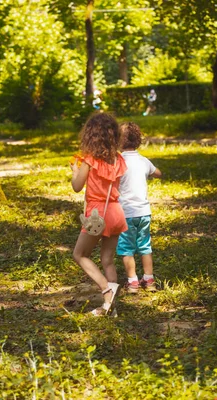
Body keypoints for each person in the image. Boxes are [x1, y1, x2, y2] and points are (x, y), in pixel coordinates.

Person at [71, 112, 128, 316]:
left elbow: (77, 187)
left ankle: (107, 290)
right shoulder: (118, 160)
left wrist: (74, 171)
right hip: (115, 212)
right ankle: (109, 308)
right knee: (108, 260)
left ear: (91, 135)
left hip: (97, 214)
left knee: (79, 254)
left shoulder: (89, 160)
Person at [116, 122, 162, 293]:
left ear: (118, 141)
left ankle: (133, 281)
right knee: (144, 246)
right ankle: (149, 280)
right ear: (138, 141)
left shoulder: (118, 162)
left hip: (125, 213)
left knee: (127, 248)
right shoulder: (143, 160)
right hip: (144, 213)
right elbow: (158, 173)